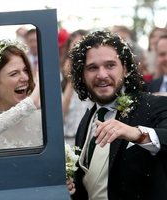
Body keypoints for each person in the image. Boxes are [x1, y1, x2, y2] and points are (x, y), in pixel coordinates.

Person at [68, 30, 167, 200]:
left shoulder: (153, 106)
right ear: (82, 76)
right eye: (92, 68)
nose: (102, 75)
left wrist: (136, 134)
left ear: (126, 69)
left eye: (110, 65)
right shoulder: (86, 120)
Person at [61, 29, 91, 146]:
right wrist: (71, 80)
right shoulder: (60, 77)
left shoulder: (96, 77)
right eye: (75, 46)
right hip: (67, 141)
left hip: (89, 139)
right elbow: (60, 116)